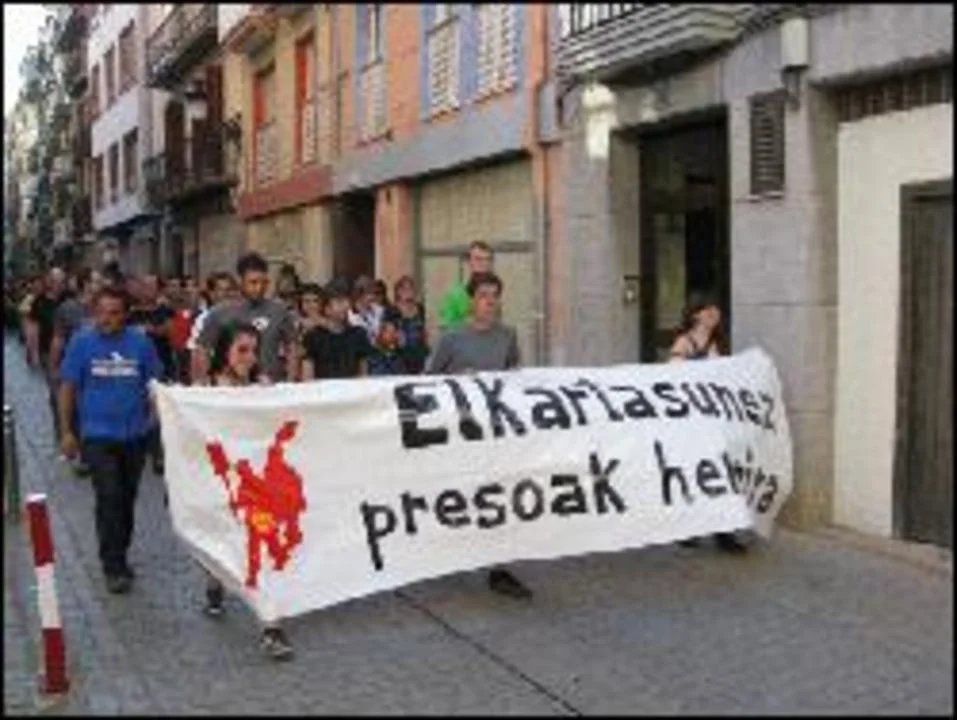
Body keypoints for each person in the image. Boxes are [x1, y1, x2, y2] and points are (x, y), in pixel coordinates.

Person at [426, 271, 532, 601]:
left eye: (495, 295)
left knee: (499, 496)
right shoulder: (452, 337)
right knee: (461, 495)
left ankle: (499, 568)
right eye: (484, 295)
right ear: (471, 300)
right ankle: (447, 551)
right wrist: (459, 379)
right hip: (461, 432)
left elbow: (514, 375)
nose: (490, 301)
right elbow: (428, 379)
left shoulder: (508, 335)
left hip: (496, 432)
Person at [58, 286, 162, 594]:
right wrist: (66, 431)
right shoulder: (81, 342)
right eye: (102, 312)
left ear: (125, 315)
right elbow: (67, 387)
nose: (107, 319)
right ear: (94, 312)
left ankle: (120, 551)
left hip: (134, 435)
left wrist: (154, 418)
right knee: (109, 496)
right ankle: (113, 565)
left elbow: (154, 384)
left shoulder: (140, 343)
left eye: (114, 313)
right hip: (97, 436)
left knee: (126, 499)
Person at [201, 321, 295, 661]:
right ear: (223, 351)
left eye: (254, 351)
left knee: (262, 550)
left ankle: (271, 628)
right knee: (224, 545)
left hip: (257, 487)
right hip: (221, 485)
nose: (249, 357)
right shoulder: (205, 391)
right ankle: (214, 583)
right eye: (242, 349)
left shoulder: (262, 386)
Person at [669, 292, 748, 554]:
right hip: (693, 421)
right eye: (707, 308)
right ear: (695, 314)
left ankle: (723, 531)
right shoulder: (684, 342)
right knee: (697, 472)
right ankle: (689, 527)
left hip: (716, 420)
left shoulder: (719, 343)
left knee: (721, 472)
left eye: (716, 308)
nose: (714, 312)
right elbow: (673, 376)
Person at [194, 253, 298, 384]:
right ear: (240, 281)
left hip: (271, 385)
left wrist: (290, 382)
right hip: (230, 386)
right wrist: (202, 382)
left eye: (264, 283)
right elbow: (203, 349)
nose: (259, 288)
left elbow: (292, 348)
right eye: (253, 282)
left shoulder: (279, 311)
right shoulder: (220, 312)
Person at [49, 269, 100, 476]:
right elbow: (58, 338)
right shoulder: (68, 309)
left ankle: (94, 453)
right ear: (85, 284)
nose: (101, 285)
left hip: (100, 369)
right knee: (78, 411)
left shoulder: (105, 306)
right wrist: (54, 367)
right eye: (96, 281)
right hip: (78, 368)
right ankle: (82, 454)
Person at [301, 279, 372, 380]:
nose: (345, 306)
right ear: (326, 308)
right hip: (323, 388)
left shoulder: (358, 334)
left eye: (347, 301)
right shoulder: (313, 337)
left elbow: (363, 372)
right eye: (339, 302)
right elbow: (308, 373)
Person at [31, 268, 69, 441]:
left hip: (69, 352)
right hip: (47, 352)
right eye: (56, 282)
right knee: (55, 392)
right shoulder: (39, 302)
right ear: (49, 283)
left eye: (62, 282)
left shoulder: (69, 299)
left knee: (70, 390)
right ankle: (60, 431)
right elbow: (34, 327)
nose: (59, 285)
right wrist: (33, 351)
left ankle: (71, 428)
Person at [438, 241, 494, 331]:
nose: (484, 264)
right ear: (469, 262)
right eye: (478, 259)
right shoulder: (454, 294)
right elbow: (444, 328)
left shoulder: (494, 292)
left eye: (488, 259)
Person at [385, 275, 429, 375]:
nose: (409, 292)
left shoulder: (419, 308)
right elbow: (388, 336)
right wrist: (396, 337)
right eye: (405, 289)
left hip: (418, 352)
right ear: (398, 292)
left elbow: (423, 328)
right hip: (400, 355)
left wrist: (425, 342)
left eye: (411, 288)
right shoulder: (392, 310)